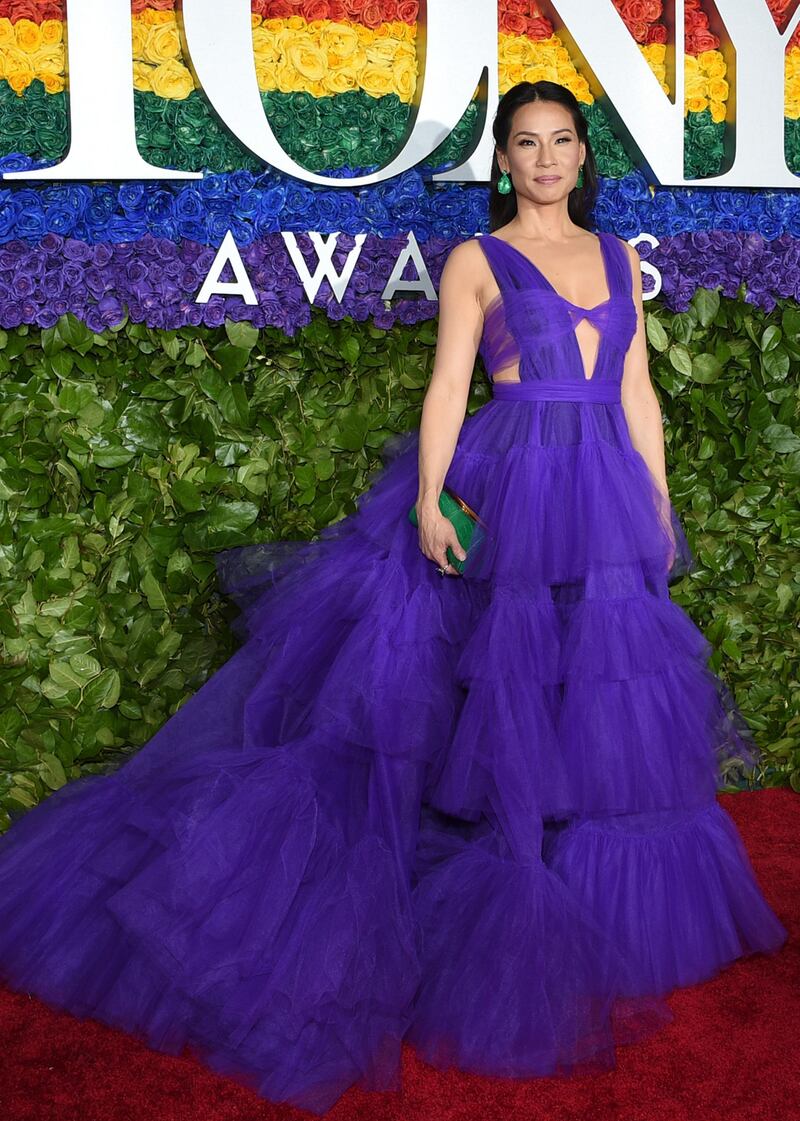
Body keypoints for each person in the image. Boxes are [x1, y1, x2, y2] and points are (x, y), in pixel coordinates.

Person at [0, 80, 788, 1116]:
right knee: (497, 679)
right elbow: (446, 387)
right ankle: (508, 882)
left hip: (599, 489)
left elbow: (634, 386)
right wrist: (428, 494)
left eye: (560, 142)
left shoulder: (613, 258)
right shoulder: (476, 259)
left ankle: (598, 901)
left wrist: (656, 500)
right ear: (500, 161)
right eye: (524, 143)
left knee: (594, 687)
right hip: (510, 481)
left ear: (583, 157)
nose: (544, 158)